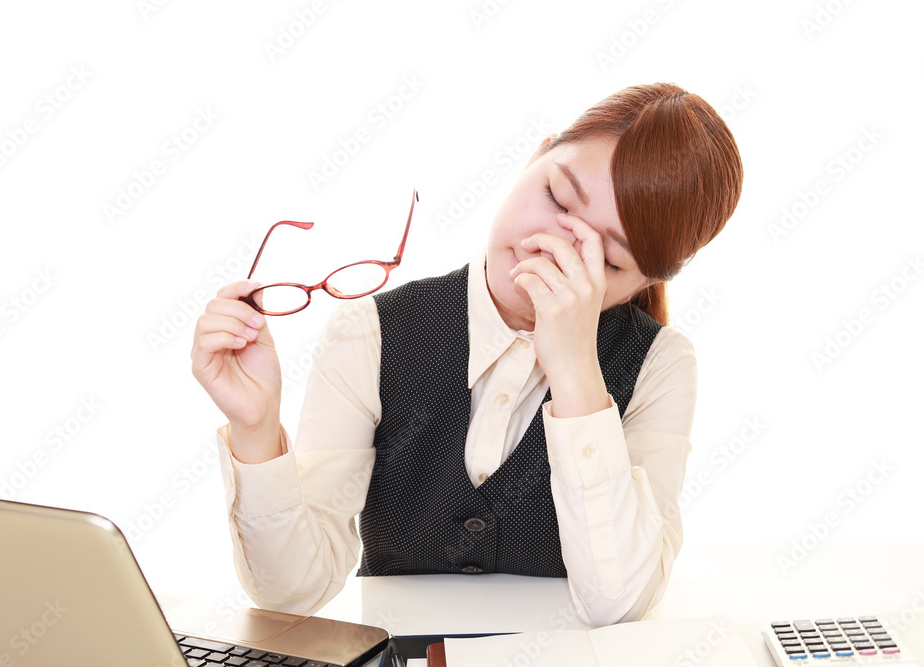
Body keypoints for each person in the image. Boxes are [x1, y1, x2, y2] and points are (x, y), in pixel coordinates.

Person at [191, 82, 743, 627]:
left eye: (609, 261)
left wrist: (576, 370)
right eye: (556, 198)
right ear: (535, 157)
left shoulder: (660, 365)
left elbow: (619, 605)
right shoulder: (369, 333)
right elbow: (291, 595)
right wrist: (256, 430)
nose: (550, 248)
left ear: (642, 283)